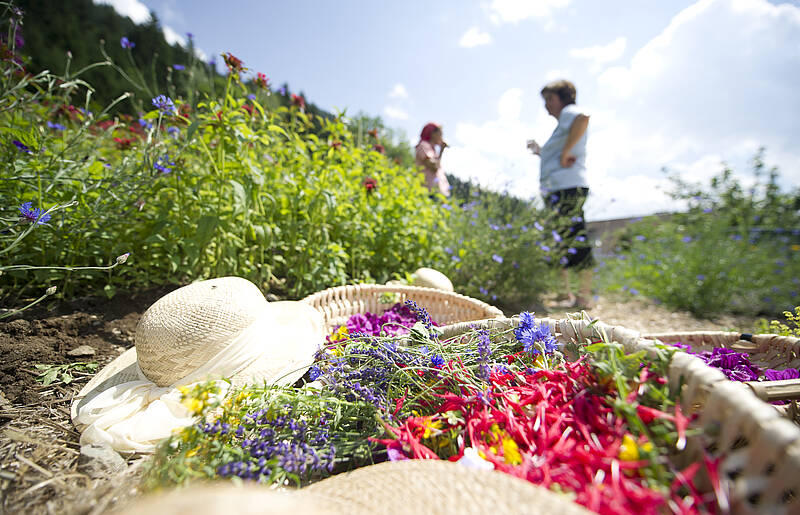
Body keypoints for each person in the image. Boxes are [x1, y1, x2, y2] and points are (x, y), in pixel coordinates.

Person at [527, 80, 594, 308]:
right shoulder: (561, 125)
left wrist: (565, 151)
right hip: (558, 187)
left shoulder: (570, 112)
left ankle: (583, 296)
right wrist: (542, 152)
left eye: (549, 99)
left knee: (575, 237)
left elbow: (583, 117)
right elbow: (556, 155)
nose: (546, 105)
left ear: (563, 98)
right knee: (563, 239)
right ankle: (570, 296)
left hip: (567, 187)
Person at [415, 122, 450, 198]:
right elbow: (434, 166)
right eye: (440, 134)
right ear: (432, 134)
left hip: (439, 192)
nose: (442, 137)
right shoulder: (424, 145)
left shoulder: (433, 150)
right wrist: (441, 150)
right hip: (430, 192)